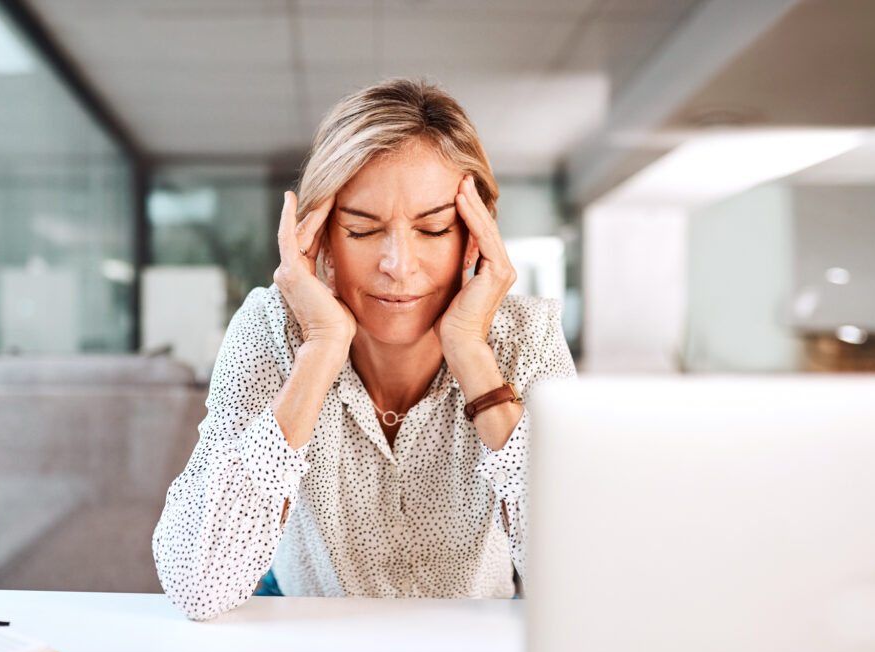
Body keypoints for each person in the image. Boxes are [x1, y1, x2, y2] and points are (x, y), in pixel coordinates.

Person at [152, 78, 576, 620]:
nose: (399, 264)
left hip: (473, 639)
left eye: (434, 228)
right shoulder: (269, 327)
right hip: (308, 639)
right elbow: (197, 585)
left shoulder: (527, 336)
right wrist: (321, 351)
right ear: (323, 240)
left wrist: (472, 355)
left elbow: (580, 585)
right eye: (361, 230)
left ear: (474, 235)